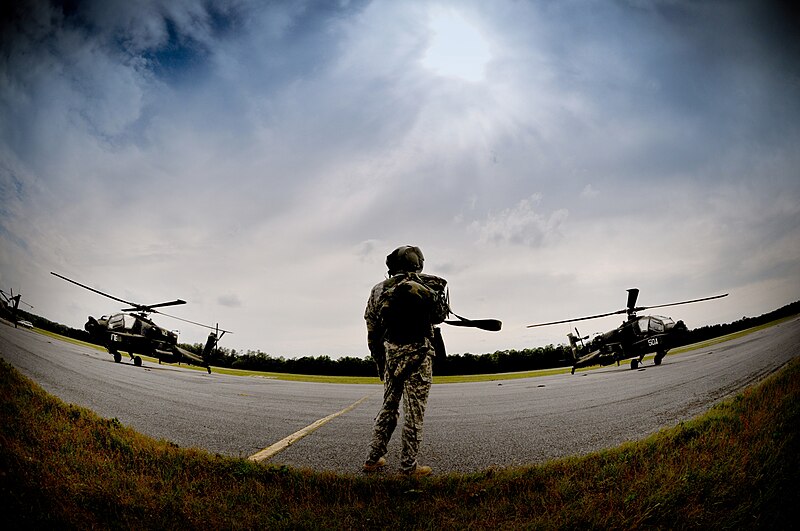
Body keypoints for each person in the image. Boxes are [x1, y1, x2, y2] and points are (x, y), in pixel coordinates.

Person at [363, 245, 448, 476]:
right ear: (417, 263)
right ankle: (408, 467)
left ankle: (373, 458)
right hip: (419, 356)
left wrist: (380, 361)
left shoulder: (378, 290)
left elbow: (372, 328)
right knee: (414, 413)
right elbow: (440, 316)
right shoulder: (426, 285)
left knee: (388, 408)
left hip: (391, 356)